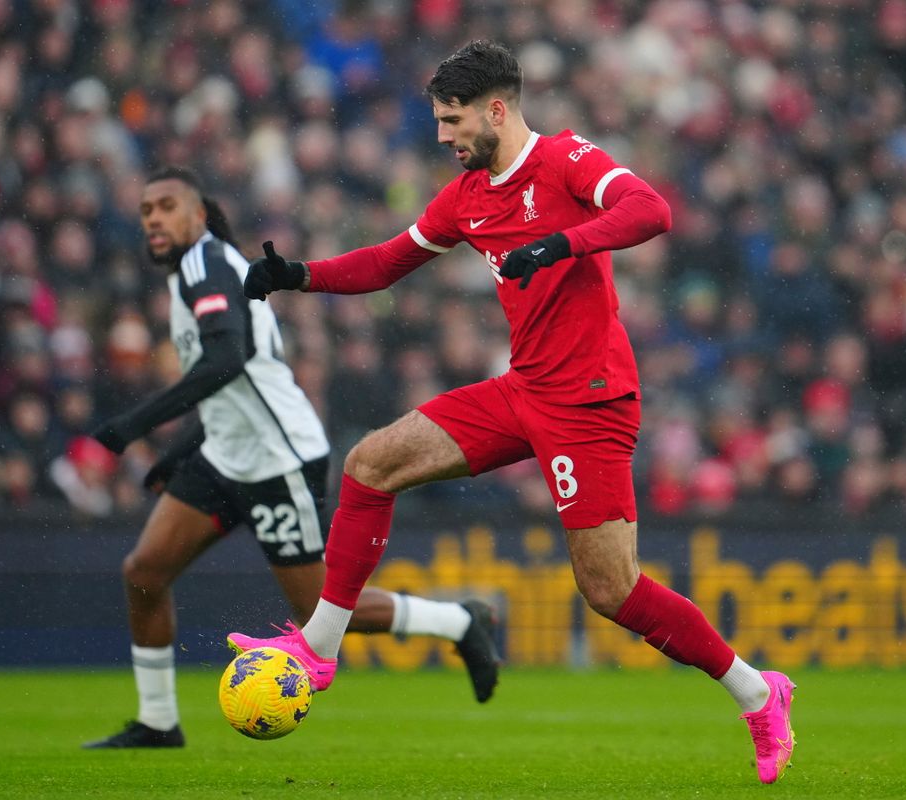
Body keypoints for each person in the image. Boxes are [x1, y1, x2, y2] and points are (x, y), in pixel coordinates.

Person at [228, 41, 795, 784]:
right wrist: (297, 276)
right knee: (370, 464)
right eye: (438, 121)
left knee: (610, 591)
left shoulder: (566, 160)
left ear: (497, 109)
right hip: (523, 389)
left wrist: (561, 243)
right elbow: (387, 261)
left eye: (452, 119)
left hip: (589, 401)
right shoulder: (466, 195)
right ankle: (319, 648)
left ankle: (758, 692)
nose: (442, 136)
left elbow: (650, 210)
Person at [82, 166, 501, 749]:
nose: (153, 218)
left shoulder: (206, 264)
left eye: (167, 206)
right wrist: (181, 452)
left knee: (318, 615)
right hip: (225, 455)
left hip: (278, 461)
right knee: (144, 572)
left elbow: (229, 358)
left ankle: (458, 622)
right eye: (147, 209)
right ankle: (157, 721)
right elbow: (238, 382)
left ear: (198, 215)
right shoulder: (193, 271)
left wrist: (135, 425)